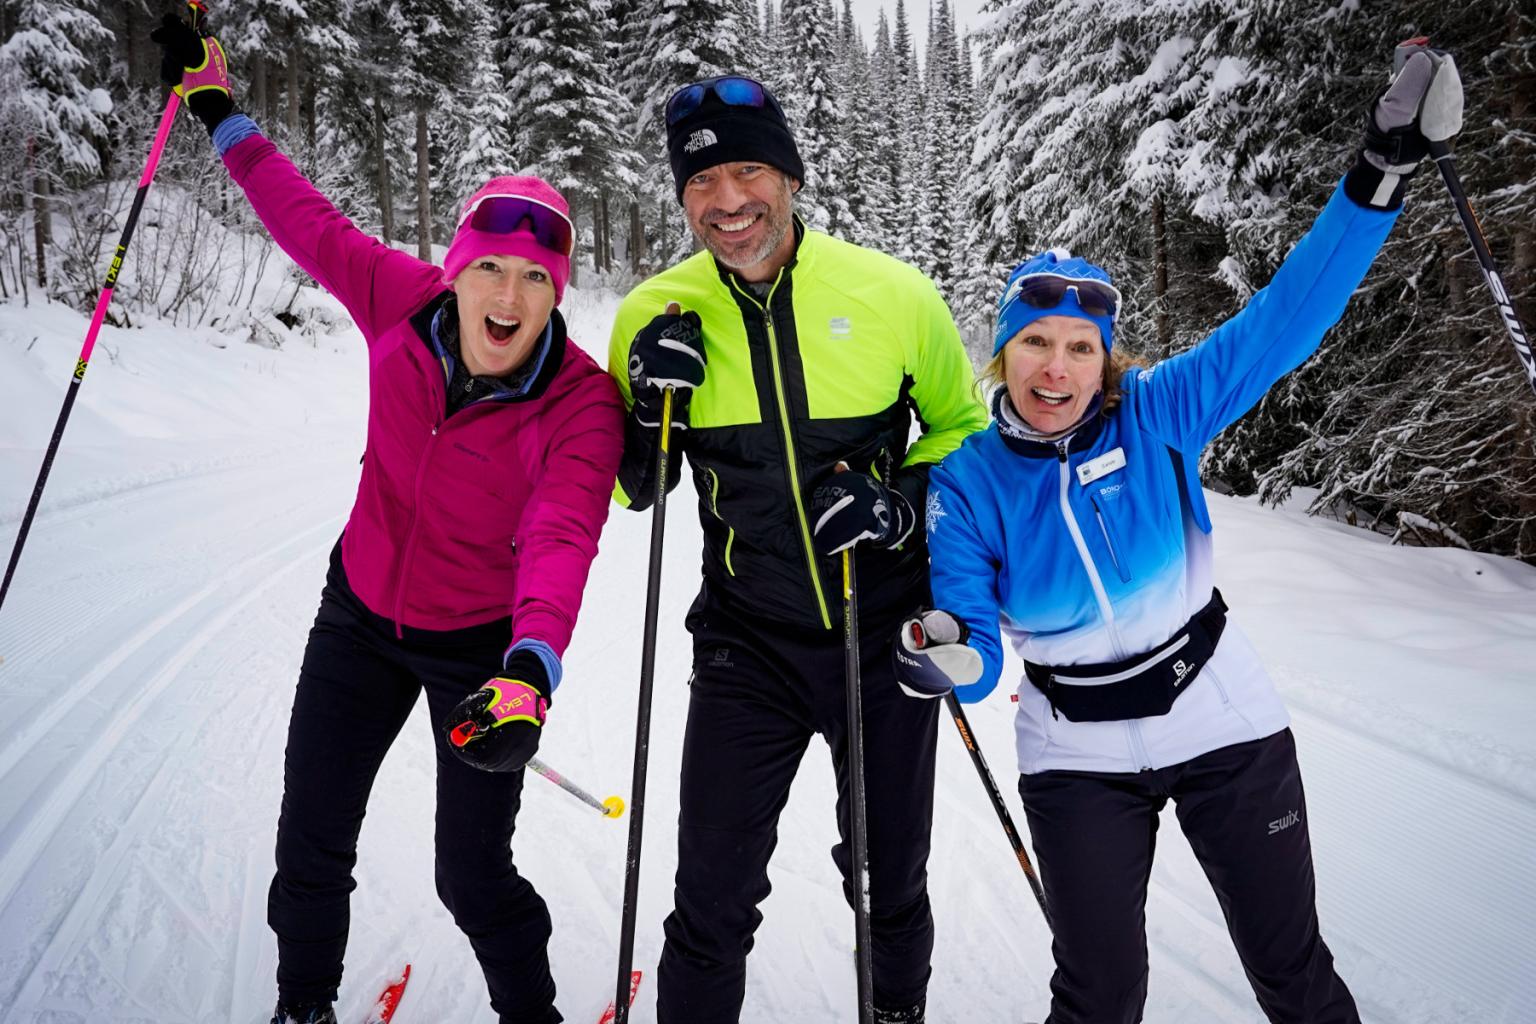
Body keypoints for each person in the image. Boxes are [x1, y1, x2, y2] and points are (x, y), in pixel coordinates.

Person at [889, 46, 1463, 1024]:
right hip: (1075, 750)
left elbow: (1283, 322)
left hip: (1222, 719)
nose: (1058, 367)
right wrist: (938, 657)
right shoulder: (969, 478)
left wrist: (1381, 172)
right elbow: (978, 652)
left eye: (1080, 347)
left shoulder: (1158, 410)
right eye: (1036, 342)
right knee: (1100, 995)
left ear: (1105, 355)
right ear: (1005, 348)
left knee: (1293, 974)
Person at [151, 14, 625, 1024]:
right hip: (359, 614)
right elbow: (303, 217)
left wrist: (530, 664)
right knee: (309, 847)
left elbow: (563, 532)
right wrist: (218, 110)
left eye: (537, 278)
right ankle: (302, 1008)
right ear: (455, 268)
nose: (509, 294)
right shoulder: (401, 301)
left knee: (471, 877)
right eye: (492, 267)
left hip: (481, 652)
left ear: (557, 295)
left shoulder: (578, 400)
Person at [608, 76, 988, 1023]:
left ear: (789, 175)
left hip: (885, 634)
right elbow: (631, 486)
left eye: (748, 172)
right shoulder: (653, 315)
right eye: (702, 182)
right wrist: (647, 411)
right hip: (750, 645)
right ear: (681, 196)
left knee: (888, 880)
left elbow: (964, 435)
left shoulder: (894, 295)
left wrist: (898, 504)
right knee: (711, 897)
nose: (728, 202)